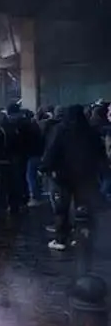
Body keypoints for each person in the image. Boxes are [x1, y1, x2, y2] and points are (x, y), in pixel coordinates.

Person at [40, 105, 106, 251]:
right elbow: (100, 153)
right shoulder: (91, 132)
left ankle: (61, 239)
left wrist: (45, 168)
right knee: (84, 207)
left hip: (64, 176)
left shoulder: (61, 130)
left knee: (62, 208)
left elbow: (52, 151)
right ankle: (84, 237)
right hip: (86, 175)